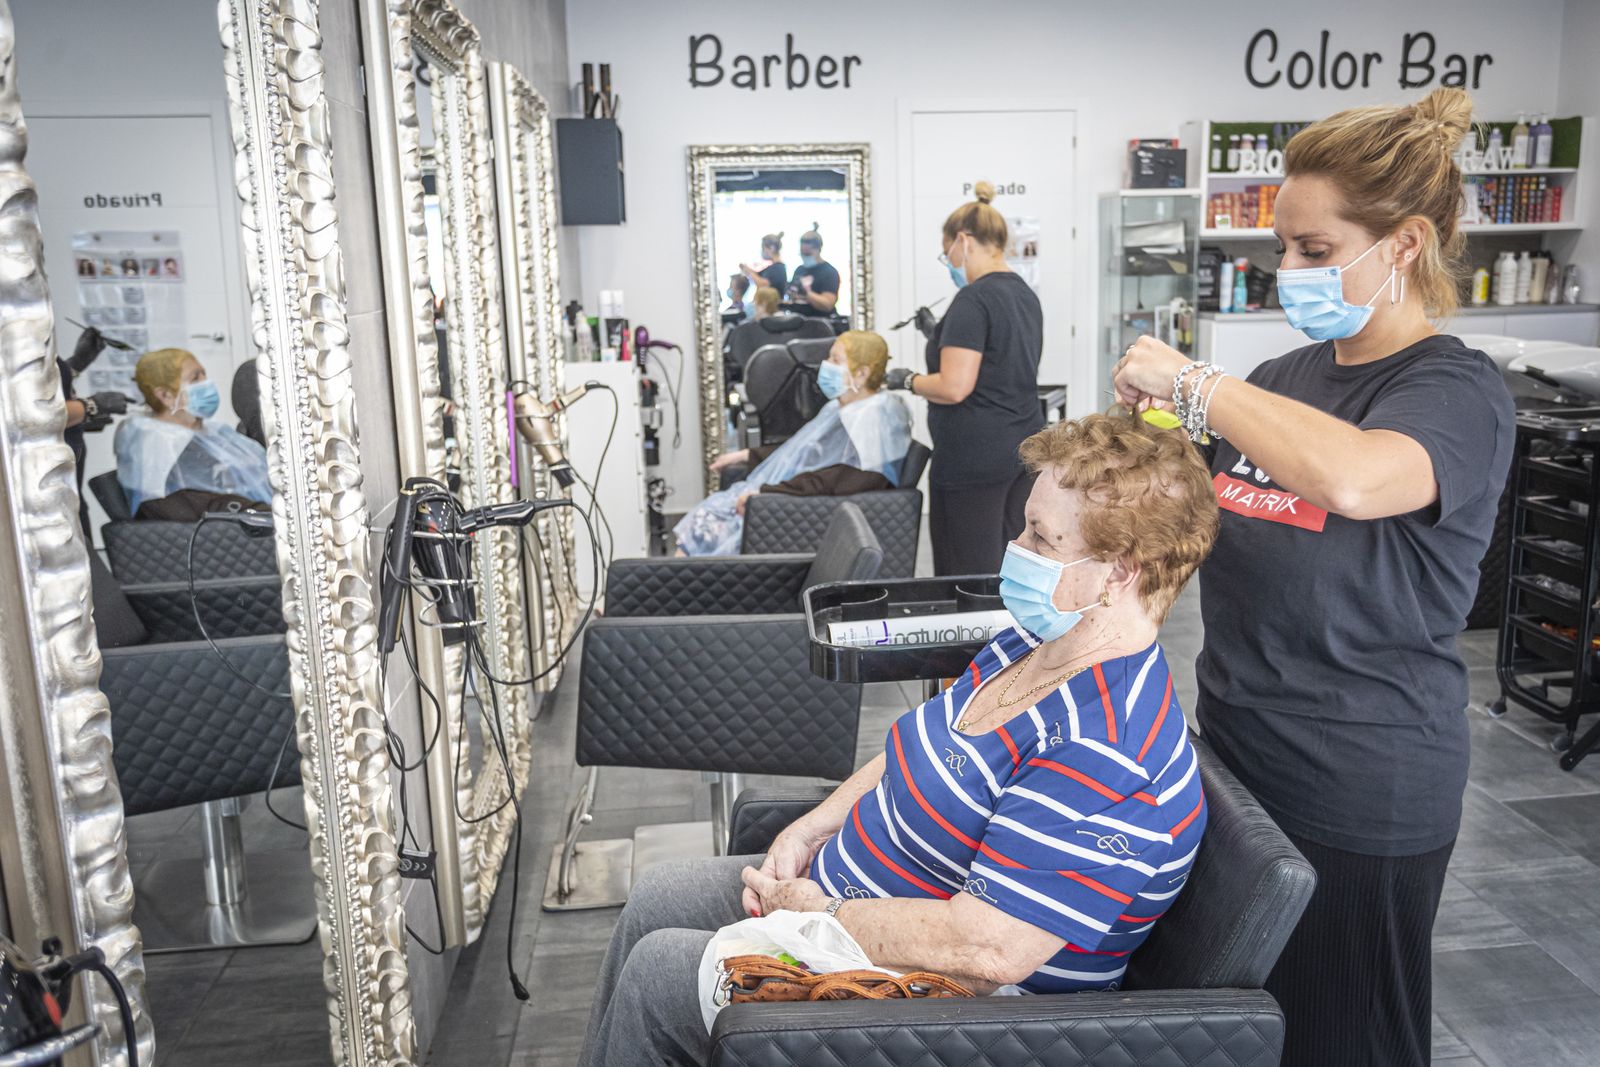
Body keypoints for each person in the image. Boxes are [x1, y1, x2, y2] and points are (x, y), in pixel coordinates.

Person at [581, 414, 1218, 1066]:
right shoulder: (1034, 641)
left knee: (659, 976)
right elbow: (918, 748)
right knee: (655, 899)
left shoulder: (1106, 755)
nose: (1016, 545)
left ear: (1120, 572)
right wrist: (813, 828)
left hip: (936, 1005)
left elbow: (985, 952)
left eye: (1042, 537)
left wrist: (821, 912)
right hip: (835, 904)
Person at [1113, 88, 1514, 1067]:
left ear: (1405, 243)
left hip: (1361, 782)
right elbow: (1184, 520)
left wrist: (1198, 384)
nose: (1286, 270)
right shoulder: (1287, 382)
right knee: (1264, 1025)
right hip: (1239, 757)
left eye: (1314, 250)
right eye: (1280, 249)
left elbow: (1353, 476)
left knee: (1349, 1036)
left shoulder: (1456, 390)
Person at [885, 180, 1044, 576]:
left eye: (946, 255)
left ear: (963, 241)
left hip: (974, 460)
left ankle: (970, 640)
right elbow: (996, 361)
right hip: (1019, 450)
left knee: (966, 573)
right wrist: (937, 333)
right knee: (1004, 567)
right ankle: (1006, 638)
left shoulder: (973, 299)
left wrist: (908, 380)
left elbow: (955, 387)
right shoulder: (1024, 293)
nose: (950, 263)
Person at [677, 330, 910, 556]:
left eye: (835, 360)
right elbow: (799, 450)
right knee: (710, 514)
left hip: (796, 508)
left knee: (712, 525)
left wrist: (767, 494)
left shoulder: (873, 416)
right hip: (780, 498)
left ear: (861, 374)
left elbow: (839, 479)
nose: (825, 365)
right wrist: (745, 455)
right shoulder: (838, 408)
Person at [114, 347, 272, 517]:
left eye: (204, 374)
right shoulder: (164, 442)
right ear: (166, 395)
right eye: (195, 378)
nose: (206, 383)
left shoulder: (214, 432)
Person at [785, 224, 840, 317]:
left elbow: (828, 304)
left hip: (820, 323)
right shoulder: (799, 270)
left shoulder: (829, 272)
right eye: (803, 254)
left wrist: (807, 294)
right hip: (798, 320)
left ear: (818, 249)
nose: (805, 257)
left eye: (808, 254)